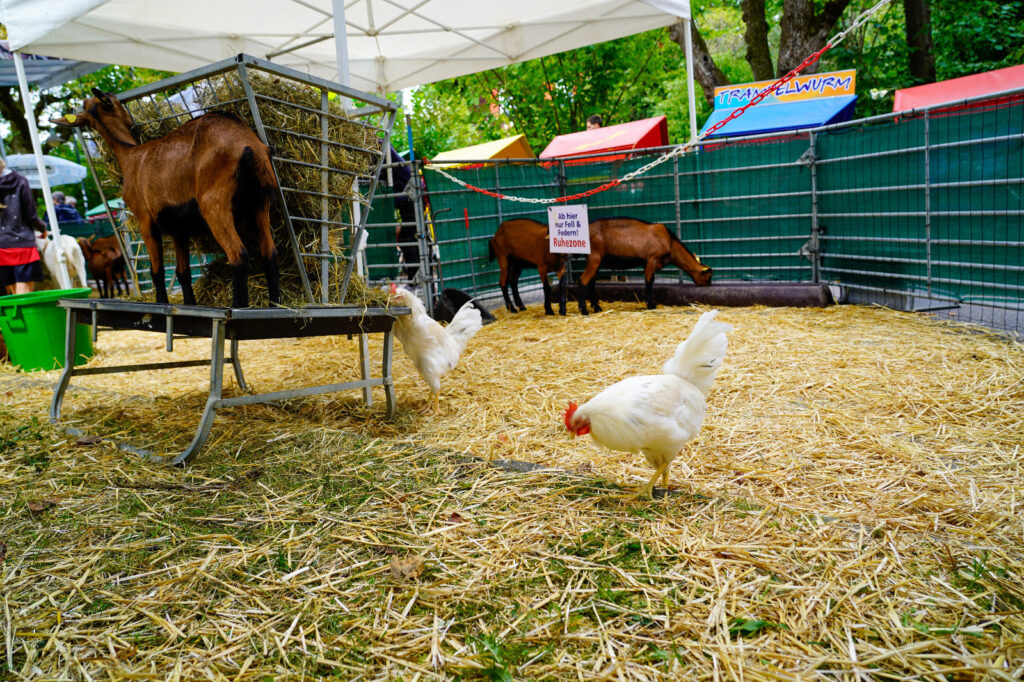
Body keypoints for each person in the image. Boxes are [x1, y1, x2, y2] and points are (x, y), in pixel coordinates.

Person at [0, 157, 48, 295]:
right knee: (24, 292)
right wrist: (42, 228)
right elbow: (31, 215)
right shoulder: (20, 181)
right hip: (22, 243)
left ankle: (17, 317)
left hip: (1, 246)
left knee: (11, 292)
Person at [385, 145, 420, 281]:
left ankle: (415, 276)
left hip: (412, 201)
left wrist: (391, 201)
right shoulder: (392, 160)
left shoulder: (387, 152)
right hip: (408, 203)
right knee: (409, 238)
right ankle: (414, 275)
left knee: (408, 239)